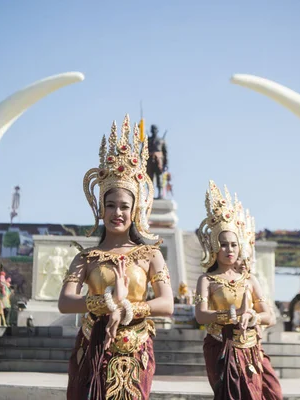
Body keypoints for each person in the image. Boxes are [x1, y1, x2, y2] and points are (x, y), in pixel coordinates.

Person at [59, 115, 174, 400]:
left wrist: (129, 308)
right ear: (100, 208)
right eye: (110, 205)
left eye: (124, 206)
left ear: (135, 210)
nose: (117, 213)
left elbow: (167, 303)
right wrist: (106, 302)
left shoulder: (150, 255)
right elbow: (64, 302)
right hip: (92, 346)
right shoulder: (86, 258)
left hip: (135, 349)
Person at [194, 181, 282, 400]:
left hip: (252, 347)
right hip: (221, 346)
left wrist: (251, 316)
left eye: (233, 244)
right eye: (223, 244)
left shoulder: (249, 279)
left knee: (273, 392)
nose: (229, 249)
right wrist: (230, 316)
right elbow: (200, 315)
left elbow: (269, 316)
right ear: (214, 246)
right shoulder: (207, 279)